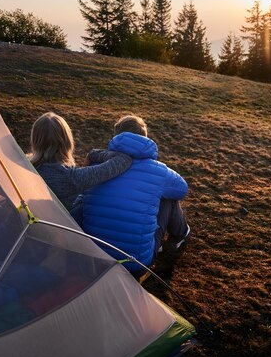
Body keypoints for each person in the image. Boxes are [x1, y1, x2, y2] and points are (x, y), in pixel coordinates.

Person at [77, 115, 190, 276]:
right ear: (144, 137)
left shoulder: (97, 166)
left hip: (95, 259)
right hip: (135, 265)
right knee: (168, 196)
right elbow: (182, 190)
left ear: (116, 136)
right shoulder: (159, 171)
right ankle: (180, 234)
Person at [29, 112, 132, 210]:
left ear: (35, 140)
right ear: (67, 142)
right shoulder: (73, 177)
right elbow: (123, 160)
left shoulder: (21, 168)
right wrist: (93, 154)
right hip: (56, 227)